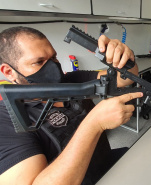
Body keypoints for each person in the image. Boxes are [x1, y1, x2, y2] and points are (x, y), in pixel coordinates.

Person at [0, 26, 143, 185]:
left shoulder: (72, 79)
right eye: (39, 62)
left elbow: (124, 79)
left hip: (109, 169)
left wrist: (125, 61)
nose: (53, 67)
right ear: (9, 72)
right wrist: (94, 124)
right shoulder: (5, 120)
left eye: (54, 58)